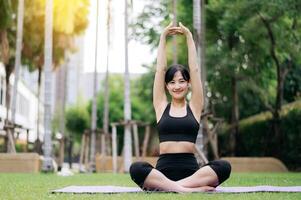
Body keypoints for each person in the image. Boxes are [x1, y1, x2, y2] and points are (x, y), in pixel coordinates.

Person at [129, 22, 231, 193]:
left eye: (182, 81)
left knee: (224, 166)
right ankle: (187, 190)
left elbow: (195, 70)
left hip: (192, 172)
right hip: (163, 171)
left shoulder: (195, 106)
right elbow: (160, 70)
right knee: (137, 168)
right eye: (172, 82)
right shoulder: (161, 105)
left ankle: (172, 188)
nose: (177, 86)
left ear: (188, 84)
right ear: (167, 86)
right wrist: (163, 37)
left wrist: (189, 38)